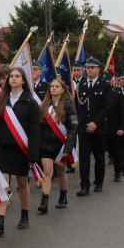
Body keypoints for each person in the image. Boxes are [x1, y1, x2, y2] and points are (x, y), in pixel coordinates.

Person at [0, 66, 40, 232]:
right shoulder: (0, 100)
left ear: (23, 80)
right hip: (3, 148)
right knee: (3, 183)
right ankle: (0, 219)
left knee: (22, 182)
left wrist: (33, 155)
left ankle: (24, 214)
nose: (13, 79)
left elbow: (34, 131)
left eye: (17, 76)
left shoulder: (30, 102)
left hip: (21, 149)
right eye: (11, 76)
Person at [37, 78, 77, 212]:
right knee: (47, 171)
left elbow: (73, 128)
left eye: (56, 86)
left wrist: (69, 147)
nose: (53, 88)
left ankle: (63, 196)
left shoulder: (68, 105)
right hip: (46, 144)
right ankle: (44, 200)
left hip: (61, 145)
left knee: (61, 172)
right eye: (52, 86)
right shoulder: (44, 106)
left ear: (62, 89)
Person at [75, 57, 111, 196]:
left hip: (99, 127)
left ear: (98, 70)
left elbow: (106, 107)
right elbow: (78, 105)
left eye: (93, 68)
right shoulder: (81, 84)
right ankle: (84, 185)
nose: (90, 70)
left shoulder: (105, 85)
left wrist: (95, 122)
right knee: (84, 158)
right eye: (88, 68)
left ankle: (99, 182)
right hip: (84, 127)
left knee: (99, 156)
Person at [105, 72, 124, 182]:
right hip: (102, 128)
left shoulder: (117, 95)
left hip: (114, 128)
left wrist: (121, 127)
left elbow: (123, 113)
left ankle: (117, 172)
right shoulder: (98, 95)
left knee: (116, 151)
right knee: (100, 153)